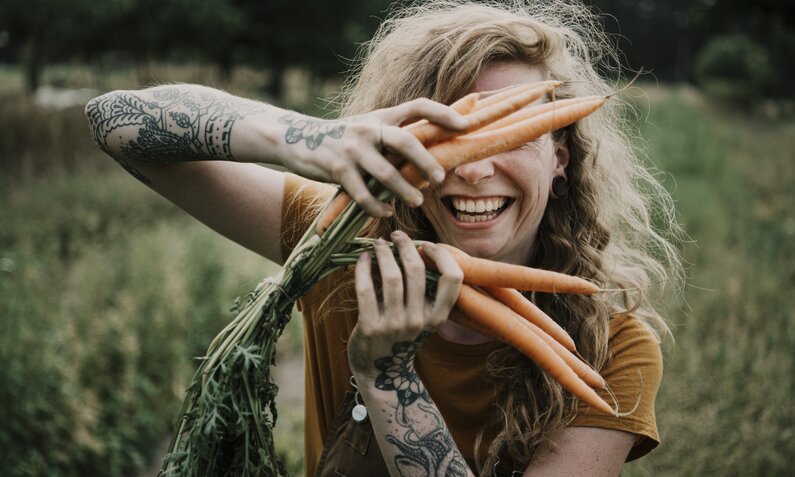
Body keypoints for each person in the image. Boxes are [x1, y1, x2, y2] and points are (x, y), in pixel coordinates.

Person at [85, 1, 682, 475]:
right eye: (444, 136)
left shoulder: (612, 350)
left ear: (561, 159)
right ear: (395, 144)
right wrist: (306, 138)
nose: (474, 170)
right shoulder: (339, 240)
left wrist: (390, 379)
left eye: (513, 134)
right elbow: (113, 120)